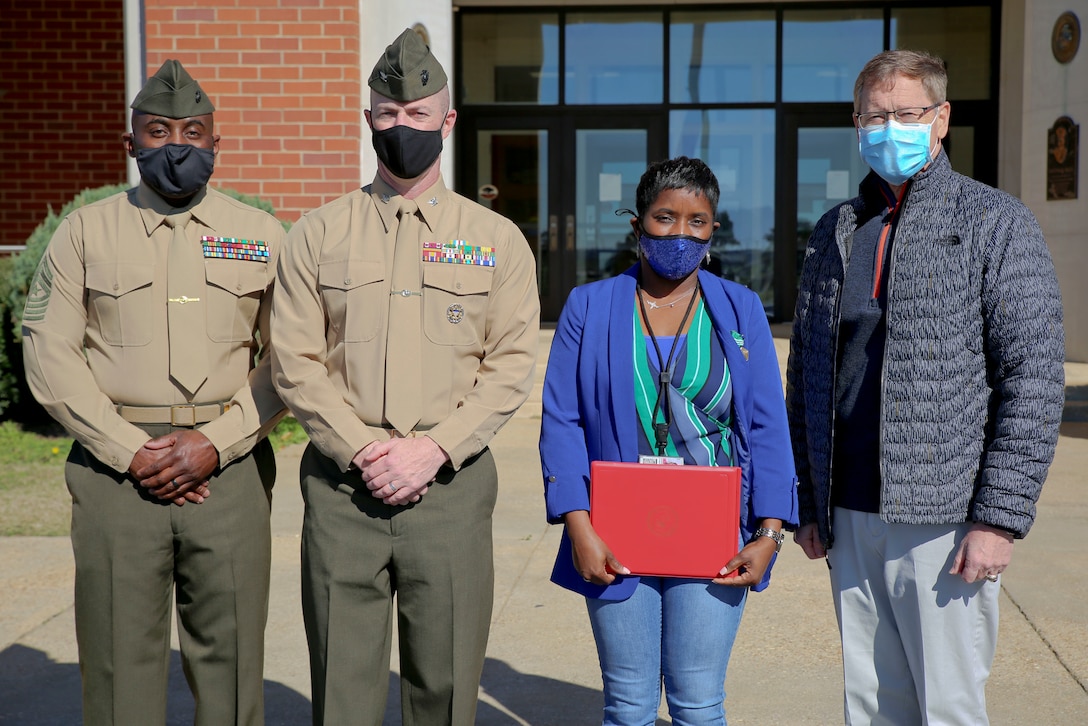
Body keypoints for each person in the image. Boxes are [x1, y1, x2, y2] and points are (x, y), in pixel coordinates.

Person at [786, 49, 1065, 724]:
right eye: (874, 115)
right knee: (872, 702)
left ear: (940, 119)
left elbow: (1031, 378)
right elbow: (809, 373)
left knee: (947, 704)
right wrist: (807, 497)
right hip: (850, 510)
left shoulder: (994, 223)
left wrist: (998, 518)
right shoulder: (836, 232)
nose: (890, 127)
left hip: (945, 516)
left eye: (906, 113)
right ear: (856, 123)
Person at [270, 28, 540, 725]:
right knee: (343, 690)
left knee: (445, 690)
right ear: (369, 121)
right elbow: (294, 359)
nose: (402, 127)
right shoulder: (317, 235)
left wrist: (434, 447)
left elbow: (510, 364)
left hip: (449, 488)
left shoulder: (496, 241)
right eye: (387, 114)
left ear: (448, 121)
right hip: (341, 490)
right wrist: (360, 448)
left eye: (418, 114)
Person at [21, 59, 286, 725]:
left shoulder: (261, 237)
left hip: (227, 474)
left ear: (217, 144)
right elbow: (48, 350)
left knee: (229, 672)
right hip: (115, 479)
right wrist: (127, 450)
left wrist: (216, 444)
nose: (177, 146)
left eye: (193, 132)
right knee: (117, 669)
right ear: (131, 143)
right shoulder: (85, 233)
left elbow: (290, 359)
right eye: (159, 130)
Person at [540, 156, 799, 725]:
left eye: (697, 222)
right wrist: (579, 526)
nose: (680, 234)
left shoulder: (739, 308)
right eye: (665, 218)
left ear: (713, 228)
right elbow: (562, 421)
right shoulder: (590, 306)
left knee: (698, 701)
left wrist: (771, 533)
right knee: (629, 704)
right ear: (637, 223)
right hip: (614, 529)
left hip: (715, 531)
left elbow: (765, 426)